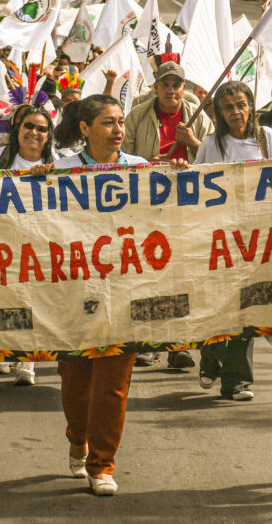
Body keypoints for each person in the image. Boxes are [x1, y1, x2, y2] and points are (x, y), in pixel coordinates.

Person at [52, 94, 188, 496]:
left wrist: (177, 176)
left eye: (121, 123)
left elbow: (166, 215)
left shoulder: (142, 171)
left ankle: (102, 463)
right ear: (84, 129)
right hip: (74, 292)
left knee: (114, 382)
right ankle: (78, 437)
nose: (118, 131)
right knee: (76, 382)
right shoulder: (58, 172)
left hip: (125, 291)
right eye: (108, 123)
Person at [193, 82, 272, 401]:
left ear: (251, 106)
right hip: (219, 238)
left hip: (257, 240)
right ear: (220, 113)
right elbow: (197, 187)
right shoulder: (212, 144)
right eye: (228, 107)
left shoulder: (267, 139)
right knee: (219, 304)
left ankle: (236, 381)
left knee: (246, 307)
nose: (236, 112)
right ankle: (211, 358)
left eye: (241, 104)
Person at [122, 61, 213, 368]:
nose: (171, 90)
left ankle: (180, 345)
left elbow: (214, 160)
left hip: (187, 206)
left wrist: (192, 144)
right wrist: (148, 163)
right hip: (148, 205)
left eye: (177, 85)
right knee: (148, 274)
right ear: (156, 88)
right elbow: (124, 160)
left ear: (183, 89)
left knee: (182, 275)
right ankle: (147, 343)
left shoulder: (198, 118)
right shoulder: (136, 116)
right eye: (166, 84)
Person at [0, 100, 58, 385]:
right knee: (2, 298)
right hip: (0, 240)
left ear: (48, 135)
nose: (34, 132)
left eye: (41, 129)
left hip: (39, 243)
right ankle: (2, 350)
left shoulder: (59, 165)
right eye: (29, 126)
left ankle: (26, 361)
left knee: (32, 299)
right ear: (17, 129)